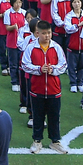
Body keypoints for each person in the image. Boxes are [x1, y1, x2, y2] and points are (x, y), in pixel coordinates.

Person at [21, 20, 67, 154]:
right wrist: (39, 69)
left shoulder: (56, 47)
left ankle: (55, 141)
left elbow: (63, 65)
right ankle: (37, 141)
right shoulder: (31, 47)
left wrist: (53, 69)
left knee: (54, 116)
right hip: (37, 89)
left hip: (54, 89)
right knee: (38, 116)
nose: (47, 36)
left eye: (49, 33)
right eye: (44, 33)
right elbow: (25, 65)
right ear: (37, 33)